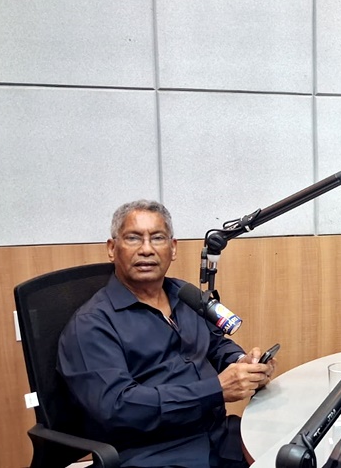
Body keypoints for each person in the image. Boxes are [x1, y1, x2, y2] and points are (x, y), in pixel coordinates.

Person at [58, 200, 275, 467]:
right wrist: (215, 390)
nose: (146, 249)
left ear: (173, 249)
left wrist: (243, 363)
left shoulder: (184, 295)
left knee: (295, 451)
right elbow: (118, 407)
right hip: (154, 454)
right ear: (112, 249)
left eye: (157, 238)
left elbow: (215, 344)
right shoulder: (91, 324)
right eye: (134, 238)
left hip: (218, 437)